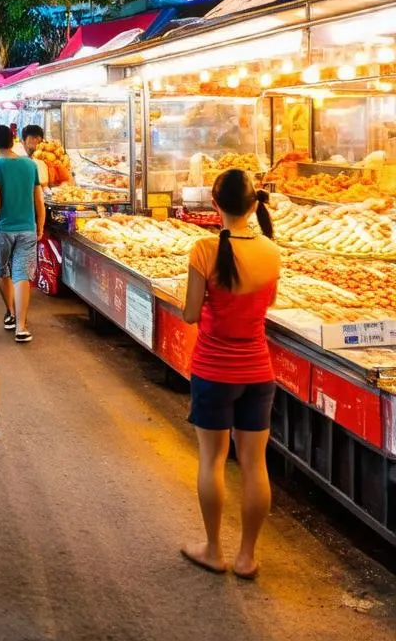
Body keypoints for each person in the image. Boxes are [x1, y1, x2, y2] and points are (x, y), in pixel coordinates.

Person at [181, 170, 279, 580]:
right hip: (258, 370)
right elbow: (266, 305)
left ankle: (214, 550)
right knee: (255, 465)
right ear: (254, 205)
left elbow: (189, 314)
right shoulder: (272, 251)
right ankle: (247, 557)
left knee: (213, 460)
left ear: (214, 205)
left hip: (213, 370)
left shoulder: (203, 249)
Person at [0, 124, 44, 343]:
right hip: (27, 227)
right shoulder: (30, 165)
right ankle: (21, 327)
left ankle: (9, 312)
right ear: (13, 139)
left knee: (3, 271)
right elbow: (38, 198)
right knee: (22, 275)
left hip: (2, 228)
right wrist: (40, 223)